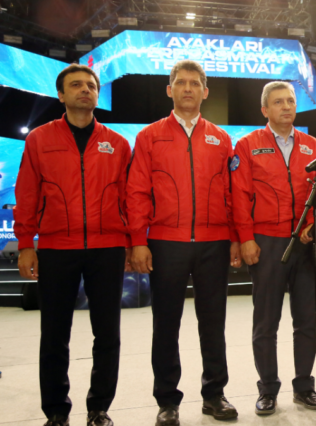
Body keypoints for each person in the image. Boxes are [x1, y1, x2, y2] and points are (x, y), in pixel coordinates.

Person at [14, 63, 131, 426]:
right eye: (76, 85)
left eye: (91, 85)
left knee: (107, 334)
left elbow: (130, 198)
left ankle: (99, 408)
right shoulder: (39, 139)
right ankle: (56, 412)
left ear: (97, 94)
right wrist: (25, 243)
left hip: (107, 248)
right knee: (54, 335)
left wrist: (132, 242)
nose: (85, 90)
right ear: (61, 95)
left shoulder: (118, 143)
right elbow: (27, 193)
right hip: (56, 248)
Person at [126, 60, 241, 425]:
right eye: (181, 82)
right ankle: (167, 401)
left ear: (205, 92)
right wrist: (138, 240)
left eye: (195, 83)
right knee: (166, 325)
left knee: (213, 323)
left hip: (213, 243)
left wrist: (234, 237)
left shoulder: (221, 138)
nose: (188, 88)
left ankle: (214, 394)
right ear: (169, 89)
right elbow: (137, 191)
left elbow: (231, 193)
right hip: (166, 243)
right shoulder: (149, 136)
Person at [231, 81, 316, 415]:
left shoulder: (314, 145)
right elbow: (239, 194)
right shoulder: (247, 145)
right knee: (266, 322)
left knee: (307, 321)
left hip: (304, 241)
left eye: (290, 101)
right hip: (266, 242)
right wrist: (246, 237)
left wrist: (313, 224)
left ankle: (304, 387)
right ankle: (268, 389)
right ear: (264, 110)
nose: (286, 107)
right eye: (278, 102)